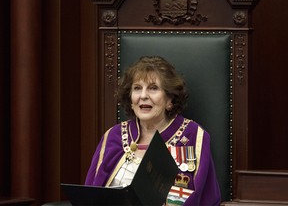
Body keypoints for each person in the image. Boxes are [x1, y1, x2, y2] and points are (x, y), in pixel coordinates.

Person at [85, 56, 221, 205]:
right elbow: (92, 194)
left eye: (153, 88)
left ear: (170, 100)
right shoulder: (114, 136)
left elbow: (203, 199)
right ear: (130, 99)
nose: (143, 96)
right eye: (137, 88)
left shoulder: (192, 136)